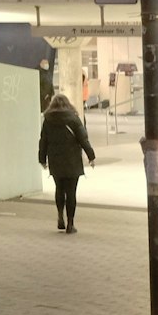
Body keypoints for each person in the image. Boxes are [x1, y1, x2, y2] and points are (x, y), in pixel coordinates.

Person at [38, 93, 97, 233]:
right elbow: (83, 139)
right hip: (72, 161)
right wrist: (91, 156)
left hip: (55, 160)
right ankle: (70, 223)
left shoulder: (48, 120)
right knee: (71, 192)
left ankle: (60, 216)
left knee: (59, 189)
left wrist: (42, 159)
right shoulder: (74, 119)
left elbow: (43, 141)